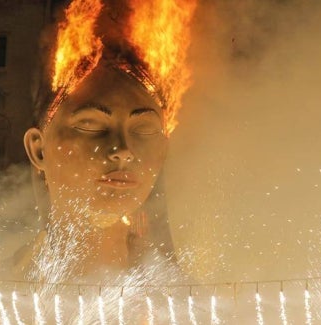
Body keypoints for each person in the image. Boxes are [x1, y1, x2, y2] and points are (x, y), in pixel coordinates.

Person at [14, 0, 195, 284]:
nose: (122, 150)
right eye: (91, 125)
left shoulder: (185, 303)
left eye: (144, 130)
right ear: (38, 149)